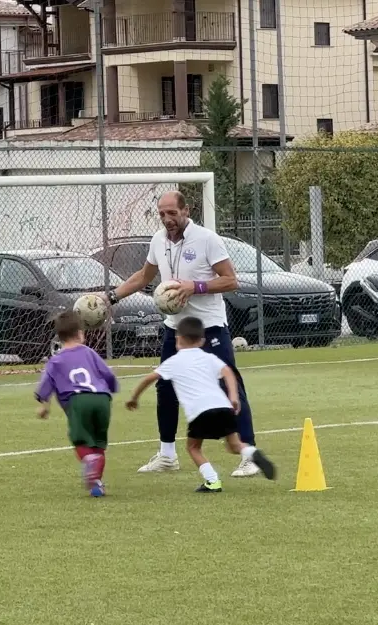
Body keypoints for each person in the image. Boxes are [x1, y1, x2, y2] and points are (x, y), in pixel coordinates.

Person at [102, 190, 260, 477]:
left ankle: (249, 453)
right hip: (175, 329)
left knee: (229, 384)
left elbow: (230, 280)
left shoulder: (207, 239)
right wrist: (110, 298)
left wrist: (194, 287)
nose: (167, 219)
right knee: (165, 387)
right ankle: (167, 455)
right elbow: (143, 277)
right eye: (162, 214)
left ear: (186, 210)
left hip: (209, 327)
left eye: (172, 213)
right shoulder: (158, 241)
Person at [126, 316, 275, 492]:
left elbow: (150, 378)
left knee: (193, 448)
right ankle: (252, 453)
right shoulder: (209, 357)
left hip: (200, 413)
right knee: (235, 445)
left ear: (178, 339)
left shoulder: (173, 362)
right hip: (224, 407)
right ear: (202, 340)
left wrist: (134, 397)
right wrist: (233, 396)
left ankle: (212, 481)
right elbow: (228, 372)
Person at [34, 310, 119, 497]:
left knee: (81, 441)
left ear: (59, 337)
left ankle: (89, 462)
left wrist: (43, 405)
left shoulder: (55, 361)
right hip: (102, 399)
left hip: (78, 401)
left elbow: (46, 384)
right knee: (98, 445)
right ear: (81, 333)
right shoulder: (90, 353)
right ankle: (96, 484)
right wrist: (112, 387)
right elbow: (108, 374)